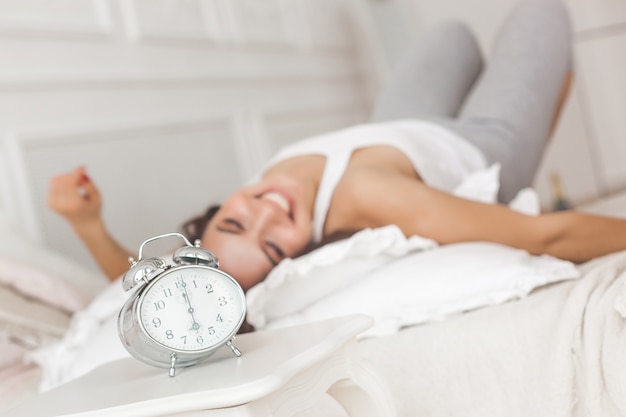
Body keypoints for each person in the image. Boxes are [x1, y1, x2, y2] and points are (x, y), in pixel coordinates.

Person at [48, 0, 623, 293]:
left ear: (205, 225)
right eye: (276, 246)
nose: (269, 210)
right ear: (304, 254)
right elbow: (547, 237)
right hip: (477, 145)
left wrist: (90, 225)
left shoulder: (252, 203)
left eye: (234, 224)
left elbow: (149, 280)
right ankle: (519, 167)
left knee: (452, 36)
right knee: (540, 13)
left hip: (395, 126)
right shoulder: (366, 196)